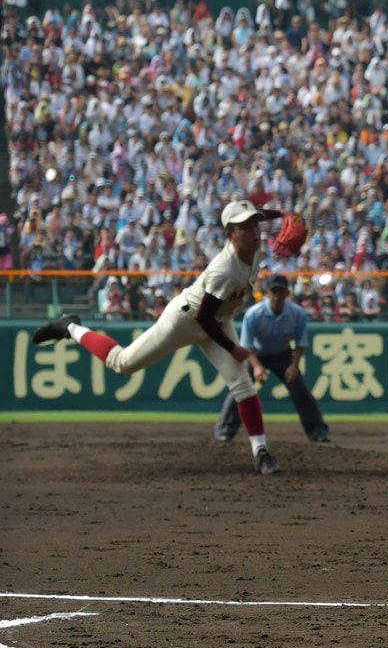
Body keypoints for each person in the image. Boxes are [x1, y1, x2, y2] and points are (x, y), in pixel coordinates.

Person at [31, 200, 287, 475]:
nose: (254, 230)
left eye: (255, 223)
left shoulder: (254, 249)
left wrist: (284, 214)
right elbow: (203, 319)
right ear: (230, 234)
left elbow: (262, 218)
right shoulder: (224, 269)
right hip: (187, 319)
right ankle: (70, 327)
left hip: (219, 320)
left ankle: (261, 453)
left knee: (242, 384)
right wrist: (232, 348)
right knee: (122, 362)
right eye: (245, 227)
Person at [214, 273, 331, 444]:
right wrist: (257, 367)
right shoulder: (254, 313)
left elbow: (300, 344)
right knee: (240, 388)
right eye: (274, 291)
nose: (277, 295)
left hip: (283, 356)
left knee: (301, 391)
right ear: (267, 293)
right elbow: (247, 346)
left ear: (287, 293)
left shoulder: (297, 313)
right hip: (256, 355)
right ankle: (224, 431)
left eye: (281, 291)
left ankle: (318, 431)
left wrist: (294, 366)